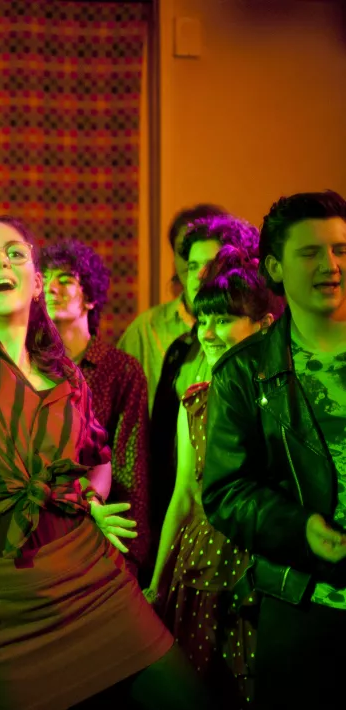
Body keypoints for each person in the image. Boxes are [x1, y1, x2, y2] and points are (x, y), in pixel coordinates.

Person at [0, 2, 213, 706]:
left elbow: (93, 461)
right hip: (3, 600)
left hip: (91, 577)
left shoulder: (64, 372)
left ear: (36, 279)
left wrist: (88, 504)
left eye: (15, 253)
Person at [204, 190, 346, 708]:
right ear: (275, 268)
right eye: (310, 252)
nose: (331, 265)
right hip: (306, 600)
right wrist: (301, 528)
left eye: (340, 250)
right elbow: (225, 491)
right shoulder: (244, 372)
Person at [144, 245, 277, 707]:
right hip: (201, 564)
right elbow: (183, 495)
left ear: (264, 324)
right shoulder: (195, 401)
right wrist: (158, 581)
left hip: (263, 566)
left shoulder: (284, 400)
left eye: (223, 319)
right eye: (203, 320)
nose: (208, 332)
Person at [42, 239, 151, 575]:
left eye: (65, 280)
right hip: (41, 532)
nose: (51, 288)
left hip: (101, 535)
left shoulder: (120, 370)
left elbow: (131, 469)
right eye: (46, 280)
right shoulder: (29, 365)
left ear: (89, 297)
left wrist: (130, 556)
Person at [118, 203, 228, 405]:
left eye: (209, 263)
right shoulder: (145, 329)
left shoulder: (246, 329)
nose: (200, 273)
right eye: (186, 255)